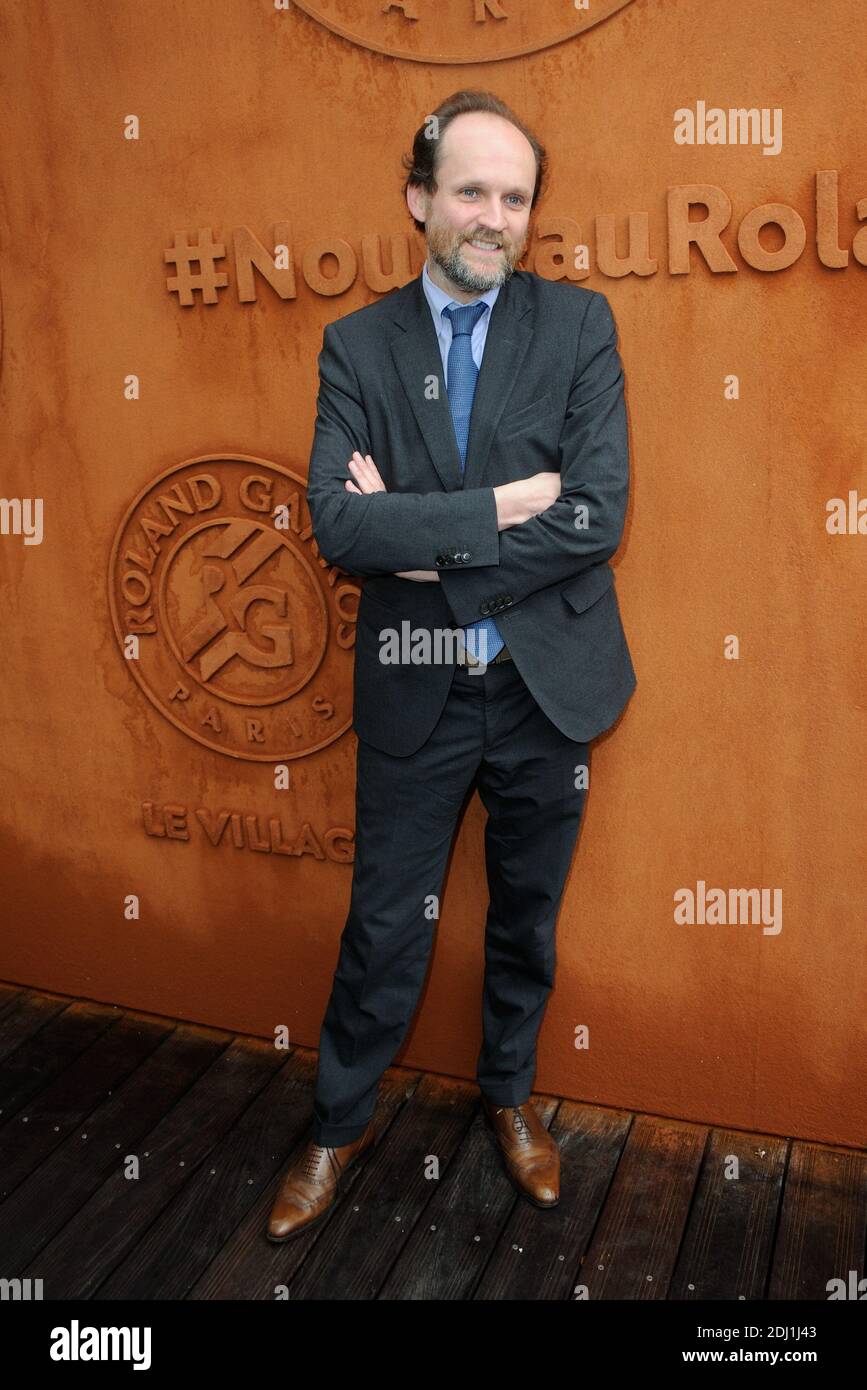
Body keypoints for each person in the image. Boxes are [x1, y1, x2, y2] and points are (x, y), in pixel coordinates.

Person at [267, 89, 636, 1242]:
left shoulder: (579, 327)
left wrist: (427, 543)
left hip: (546, 688)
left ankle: (512, 1099)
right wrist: (493, 508)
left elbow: (595, 517)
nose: (494, 216)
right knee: (385, 923)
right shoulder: (356, 346)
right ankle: (337, 1122)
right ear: (419, 198)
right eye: (470, 190)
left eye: (515, 197)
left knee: (526, 916)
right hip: (417, 684)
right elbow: (338, 529)